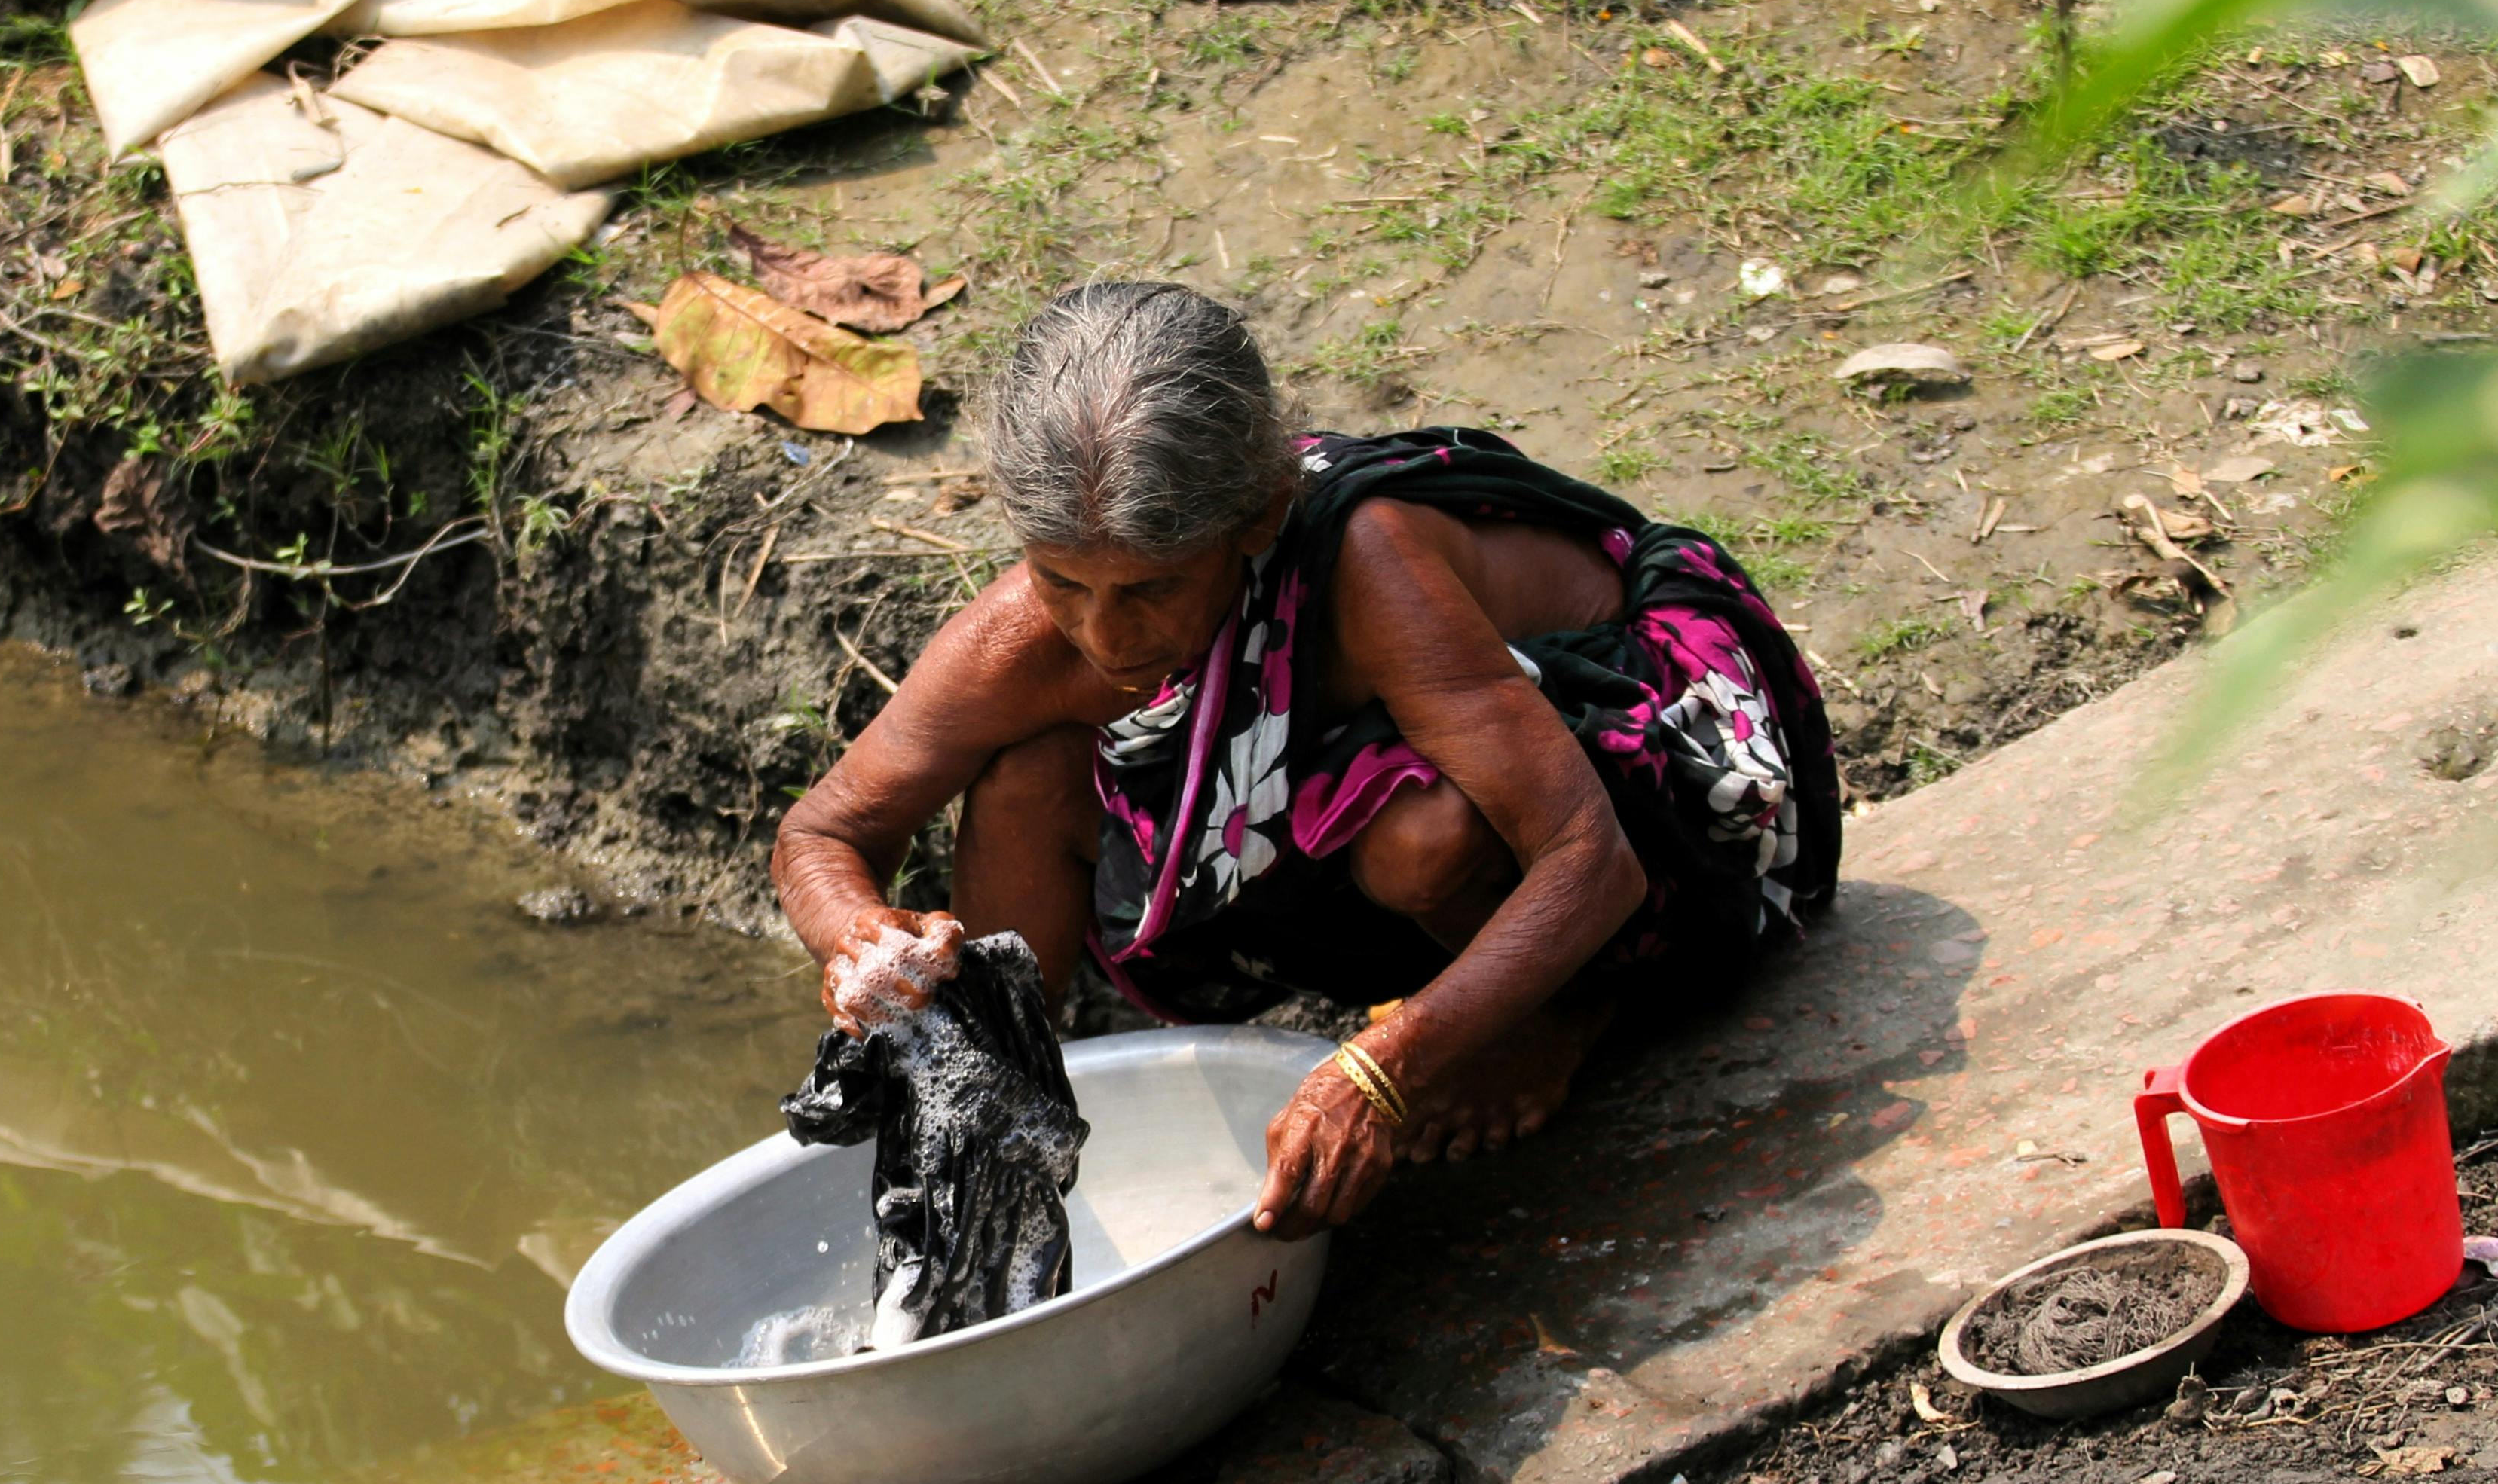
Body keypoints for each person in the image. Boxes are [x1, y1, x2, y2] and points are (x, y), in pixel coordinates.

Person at [771, 280, 1840, 1241]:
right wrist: (859, 938)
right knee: (1023, 780)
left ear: (1257, 518)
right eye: (1062, 580)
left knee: (1422, 837)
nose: (1103, 635)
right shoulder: (1024, 638)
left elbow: (1587, 857)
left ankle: (1559, 1012)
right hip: (1366, 811)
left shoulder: (1367, 563)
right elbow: (823, 832)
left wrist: (1383, 1066)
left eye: (1147, 589)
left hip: (1646, 783)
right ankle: (1004, 1121)